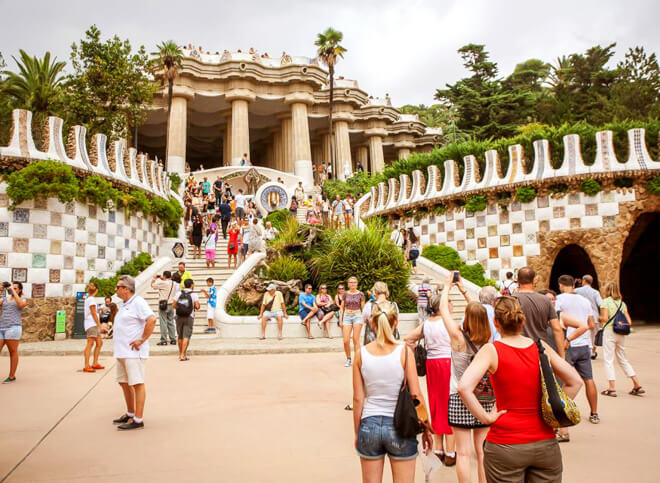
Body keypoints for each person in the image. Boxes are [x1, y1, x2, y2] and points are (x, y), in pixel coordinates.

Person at [458, 296, 583, 482]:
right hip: (544, 440)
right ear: (522, 320)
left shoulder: (491, 350)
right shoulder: (541, 348)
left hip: (505, 442)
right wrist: (553, 409)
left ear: (496, 322)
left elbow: (463, 387)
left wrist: (486, 418)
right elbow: (575, 381)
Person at [353, 301, 432, 482]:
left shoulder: (361, 354)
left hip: (369, 422)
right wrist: (426, 427)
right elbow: (416, 395)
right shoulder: (404, 352)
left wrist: (358, 432)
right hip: (400, 424)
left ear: (372, 323)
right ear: (396, 322)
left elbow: (358, 399)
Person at [439, 273, 494, 482]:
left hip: (460, 397)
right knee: (481, 452)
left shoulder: (458, 339)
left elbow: (443, 310)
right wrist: (465, 292)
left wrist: (447, 287)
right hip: (484, 398)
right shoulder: (488, 339)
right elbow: (480, 314)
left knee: (463, 453)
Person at [405, 293, 456, 466]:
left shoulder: (426, 324)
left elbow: (408, 338)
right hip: (448, 363)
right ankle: (450, 450)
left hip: (432, 365)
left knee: (436, 403)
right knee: (450, 404)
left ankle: (439, 448)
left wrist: (416, 347)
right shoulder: (449, 323)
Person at [111, 275, 157, 430]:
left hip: (133, 352)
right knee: (124, 383)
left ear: (126, 289)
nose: (116, 289)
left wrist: (142, 339)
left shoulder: (138, 302)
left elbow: (151, 319)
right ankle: (130, 413)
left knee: (137, 383)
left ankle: (138, 419)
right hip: (122, 352)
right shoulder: (124, 304)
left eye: (118, 287)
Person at [599, 281, 644, 397]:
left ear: (607, 290)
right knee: (623, 359)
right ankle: (636, 384)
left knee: (608, 360)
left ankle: (612, 388)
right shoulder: (622, 304)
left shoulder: (605, 302)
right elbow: (629, 321)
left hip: (609, 331)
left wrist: (598, 318)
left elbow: (604, 318)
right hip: (621, 333)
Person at [514, 267, 564, 358]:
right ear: (534, 280)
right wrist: (562, 357)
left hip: (517, 351)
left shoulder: (511, 300)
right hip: (540, 350)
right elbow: (557, 329)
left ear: (518, 280)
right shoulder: (545, 300)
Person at [0, 282, 27, 383]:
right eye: (12, 288)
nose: (12, 290)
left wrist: (13, 292)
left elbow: (21, 305)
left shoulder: (22, 299)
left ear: (19, 290)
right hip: (1, 327)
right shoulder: (5, 299)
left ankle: (12, 376)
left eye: (15, 288)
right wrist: (1, 289)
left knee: (12, 351)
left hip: (13, 328)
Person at [575, 274, 603, 359]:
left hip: (581, 316)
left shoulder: (577, 290)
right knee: (594, 335)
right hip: (594, 316)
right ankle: (593, 352)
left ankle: (585, 351)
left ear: (584, 281)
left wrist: (575, 283)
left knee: (582, 334)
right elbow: (600, 303)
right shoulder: (595, 292)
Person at [340, 276, 365, 367]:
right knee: (346, 340)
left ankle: (358, 360)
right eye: (351, 282)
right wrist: (340, 320)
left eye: (354, 282)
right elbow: (342, 307)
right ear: (348, 284)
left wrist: (365, 318)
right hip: (347, 316)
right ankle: (348, 359)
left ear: (357, 283)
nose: (352, 284)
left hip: (357, 315)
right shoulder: (345, 294)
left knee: (355, 339)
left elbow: (363, 308)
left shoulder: (361, 294)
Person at [173, 278, 200, 361]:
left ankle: (180, 354)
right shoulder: (194, 295)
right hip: (189, 317)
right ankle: (183, 355)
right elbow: (197, 306)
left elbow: (173, 305)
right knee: (186, 336)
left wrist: (181, 309)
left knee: (180, 336)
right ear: (191, 285)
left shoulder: (178, 293)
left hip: (178, 316)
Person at [82, 282, 106, 373]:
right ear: (96, 290)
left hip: (92, 324)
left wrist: (98, 310)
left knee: (99, 343)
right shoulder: (91, 299)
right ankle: (87, 365)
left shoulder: (89, 299)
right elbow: (92, 313)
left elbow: (93, 312)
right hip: (91, 324)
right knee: (90, 343)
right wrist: (100, 325)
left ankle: (95, 363)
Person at [152, 271, 177, 346]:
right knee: (171, 322)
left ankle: (164, 340)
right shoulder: (174, 283)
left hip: (163, 304)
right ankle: (173, 339)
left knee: (163, 322)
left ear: (165, 276)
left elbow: (153, 286)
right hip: (171, 304)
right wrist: (162, 279)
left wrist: (154, 278)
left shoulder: (163, 283)